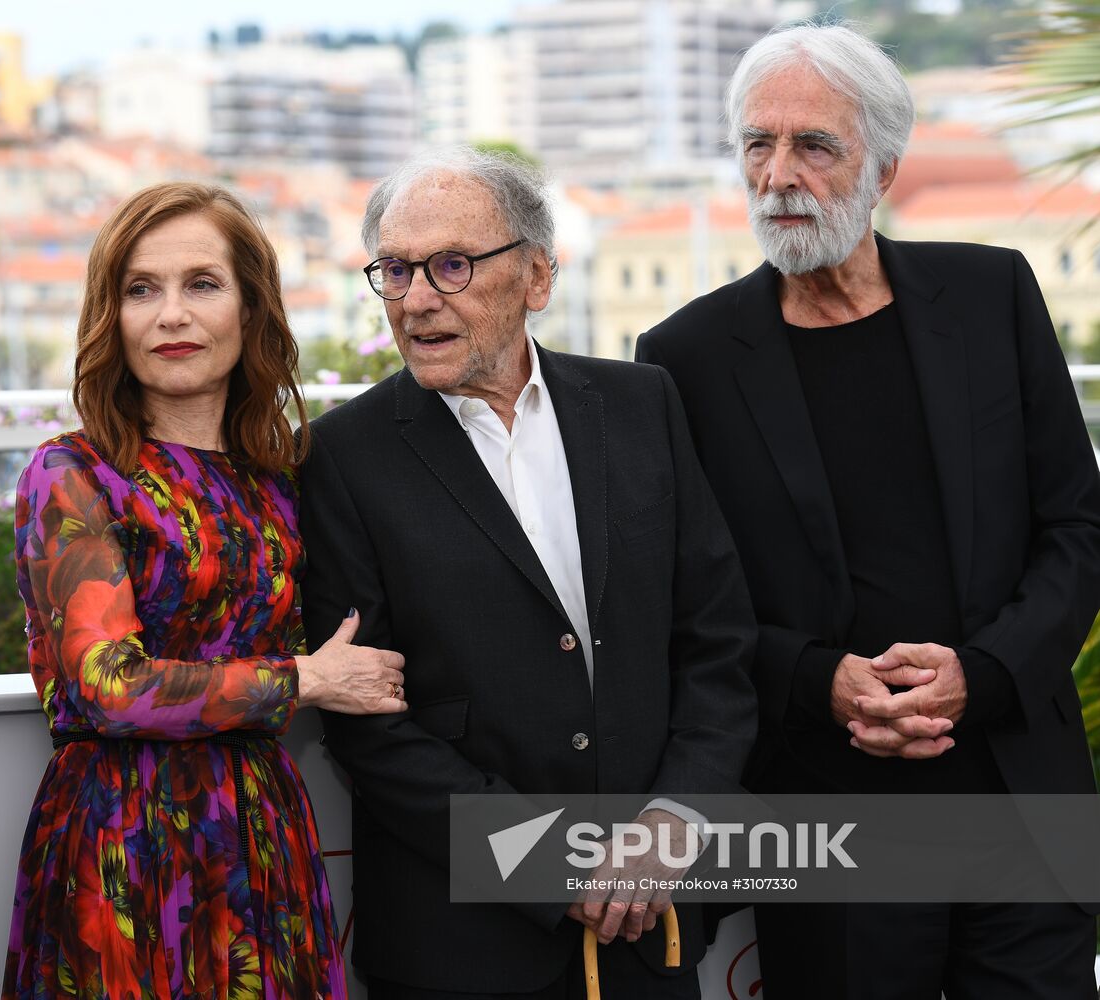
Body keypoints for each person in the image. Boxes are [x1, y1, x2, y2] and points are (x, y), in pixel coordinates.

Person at [637, 22, 1100, 1000]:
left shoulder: (990, 295)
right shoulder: (686, 357)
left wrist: (981, 674)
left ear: (882, 165)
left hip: (1022, 792)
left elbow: (1077, 527)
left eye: (814, 145)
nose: (778, 175)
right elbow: (686, 607)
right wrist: (819, 681)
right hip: (829, 815)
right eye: (756, 144)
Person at [298, 147, 757, 999]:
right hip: (462, 946)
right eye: (394, 271)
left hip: (650, 930)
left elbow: (717, 645)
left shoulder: (642, 404)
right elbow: (370, 727)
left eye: (452, 265)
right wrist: (553, 866)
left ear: (538, 276)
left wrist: (671, 821)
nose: (417, 299)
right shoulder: (340, 457)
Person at [2, 181, 408, 999]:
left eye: (203, 284)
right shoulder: (72, 473)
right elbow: (107, 686)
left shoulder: (285, 476)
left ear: (251, 311)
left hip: (262, 836)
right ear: (110, 318)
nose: (172, 315)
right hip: (123, 849)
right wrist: (307, 679)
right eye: (140, 290)